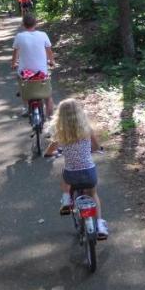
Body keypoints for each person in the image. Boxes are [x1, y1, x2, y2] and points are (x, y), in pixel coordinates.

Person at [44, 98, 108, 240]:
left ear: (60, 116)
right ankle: (100, 225)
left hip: (72, 174)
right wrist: (96, 150)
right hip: (89, 173)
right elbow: (96, 147)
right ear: (80, 114)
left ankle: (66, 200)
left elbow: (49, 151)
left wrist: (50, 153)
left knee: (64, 175)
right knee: (93, 194)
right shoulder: (87, 130)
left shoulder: (60, 134)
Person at [11, 15, 54, 116]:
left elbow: (15, 53)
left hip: (25, 73)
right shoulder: (43, 35)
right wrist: (52, 62)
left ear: (23, 25)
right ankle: (51, 118)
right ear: (36, 23)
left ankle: (26, 107)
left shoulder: (19, 36)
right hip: (42, 73)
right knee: (48, 96)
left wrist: (13, 64)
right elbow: (49, 51)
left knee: (22, 85)